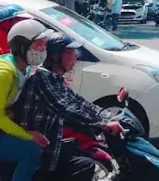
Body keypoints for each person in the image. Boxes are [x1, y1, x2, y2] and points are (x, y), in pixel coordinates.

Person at [17, 31, 124, 181]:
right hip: (40, 147)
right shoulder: (41, 78)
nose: (75, 56)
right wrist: (103, 123)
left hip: (53, 142)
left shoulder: (56, 79)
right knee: (85, 165)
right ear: (55, 56)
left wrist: (109, 117)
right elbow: (65, 108)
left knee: (87, 157)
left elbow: (79, 102)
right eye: (71, 51)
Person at [0, 19, 50, 181]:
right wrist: (28, 136)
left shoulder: (24, 69)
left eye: (44, 44)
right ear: (21, 47)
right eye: (38, 44)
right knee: (31, 152)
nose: (43, 49)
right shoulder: (4, 74)